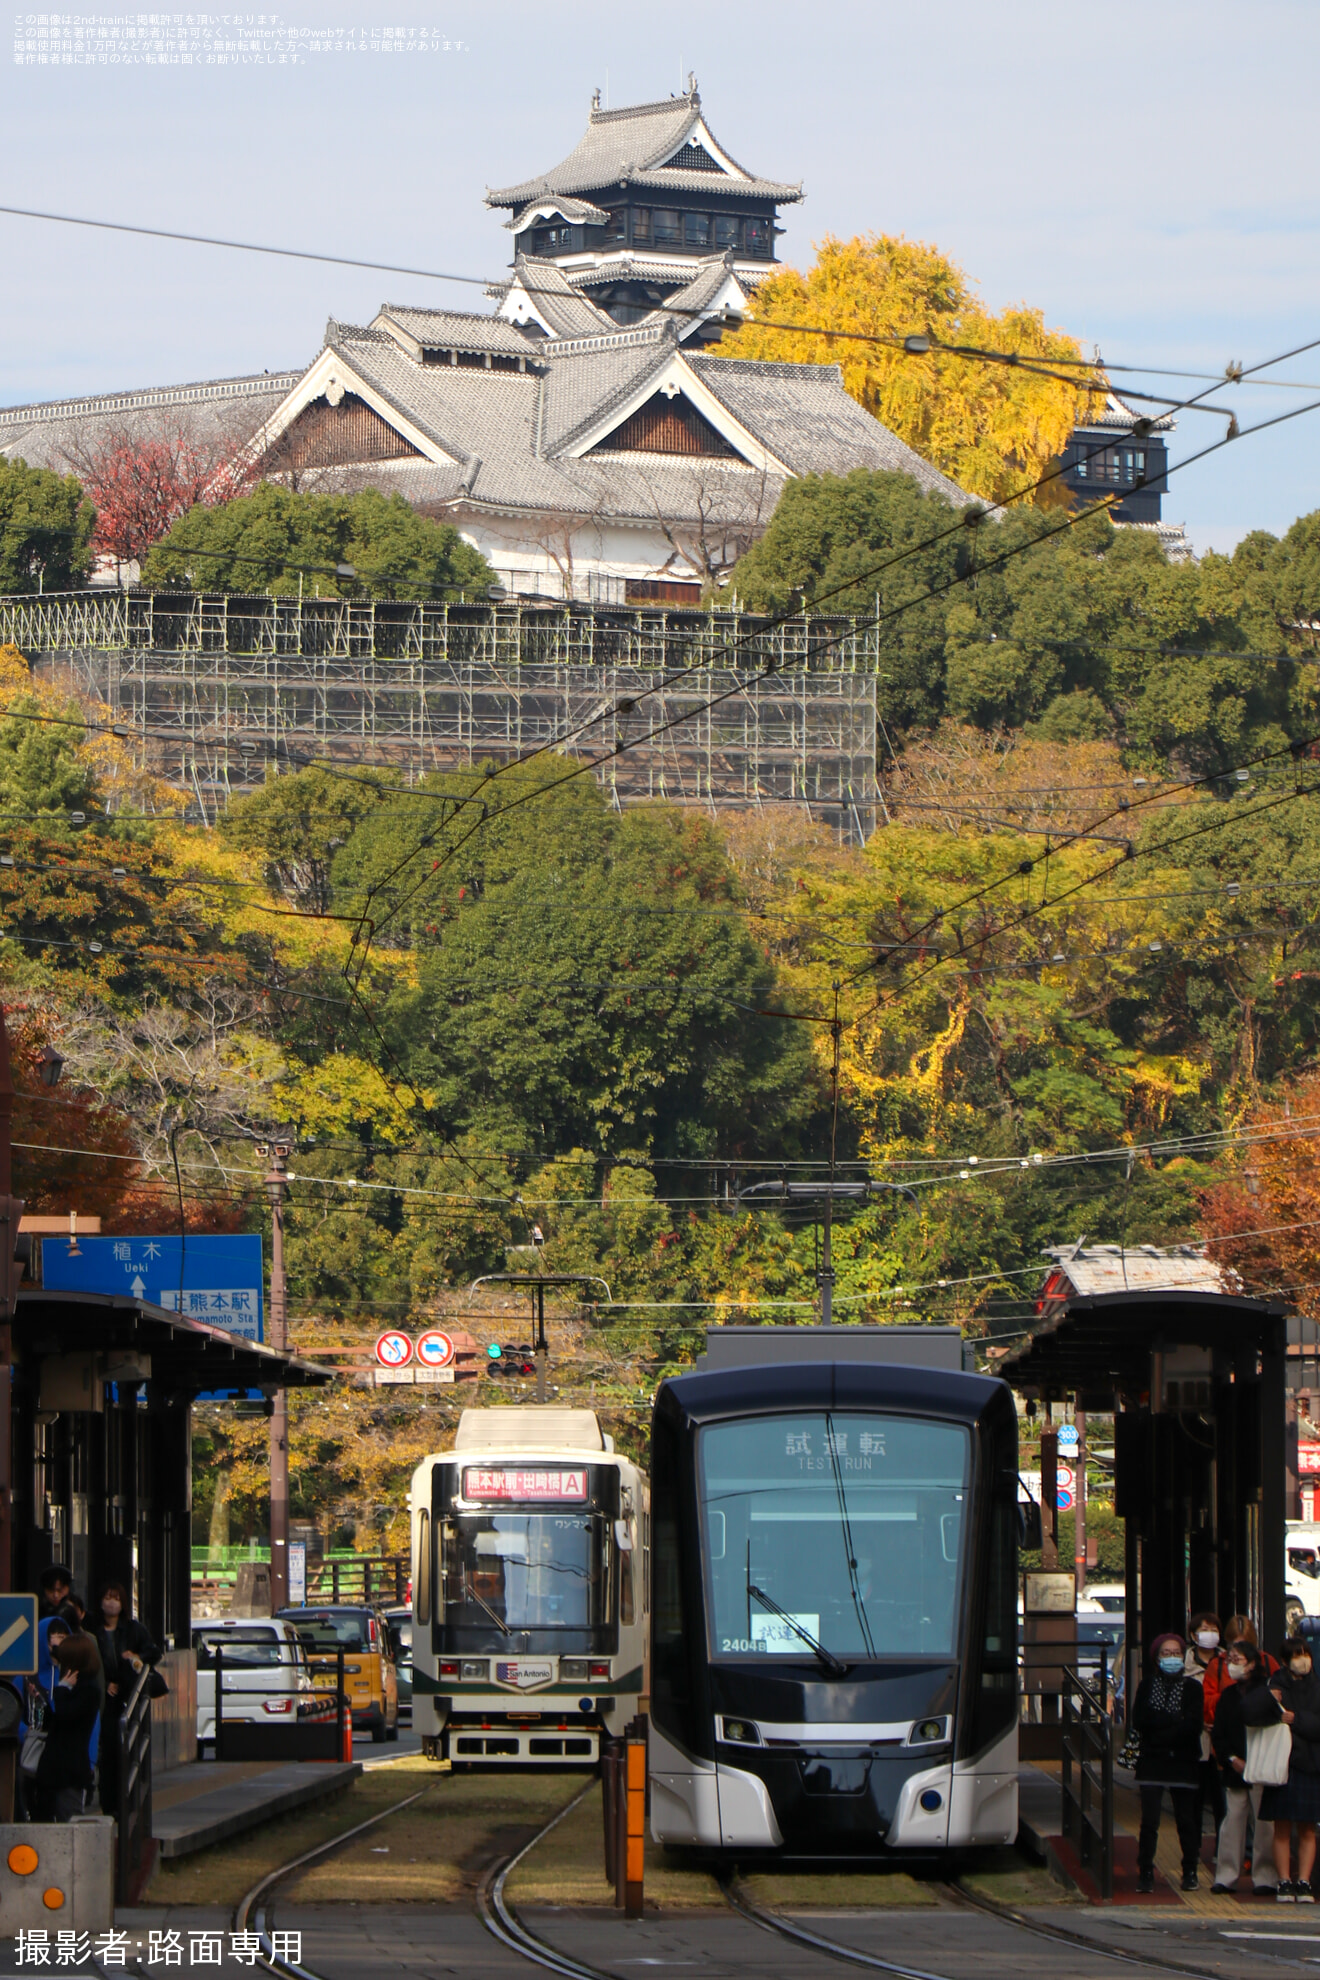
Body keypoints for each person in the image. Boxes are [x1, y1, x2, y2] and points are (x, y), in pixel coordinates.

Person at [1132, 1631, 1207, 1893]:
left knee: (1186, 1820)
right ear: (1156, 1657)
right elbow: (1140, 1721)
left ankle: (1190, 1871)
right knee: (1149, 1821)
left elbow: (1193, 1725)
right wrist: (1172, 1721)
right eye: (1166, 1653)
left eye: (1176, 1653)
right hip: (1152, 1760)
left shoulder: (1193, 1688)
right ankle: (1145, 1872)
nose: (1172, 1658)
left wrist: (1163, 1722)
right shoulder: (1147, 1685)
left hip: (1183, 1761)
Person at [1210, 1641, 1280, 1894]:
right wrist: (1230, 1758)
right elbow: (1218, 1733)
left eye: (1237, 1660)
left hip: (1262, 1767)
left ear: (1252, 1663)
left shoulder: (1269, 1691)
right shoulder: (1228, 1696)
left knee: (1264, 1825)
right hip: (1235, 1768)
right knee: (1233, 1822)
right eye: (1230, 1659)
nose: (1232, 1664)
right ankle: (1226, 1876)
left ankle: (1265, 1878)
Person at [1263, 1634, 1320, 1901]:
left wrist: (1296, 1720)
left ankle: (1304, 1880)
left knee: (1308, 1827)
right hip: (1282, 1763)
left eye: (1305, 1654)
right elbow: (1257, 1715)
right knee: (1282, 1826)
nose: (1304, 1660)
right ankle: (1284, 1880)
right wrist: (1268, 1698)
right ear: (1285, 1662)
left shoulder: (1317, 1686)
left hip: (1310, 1764)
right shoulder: (1275, 1685)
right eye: (1297, 1655)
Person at [94, 1584, 158, 1816]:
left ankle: (127, 1804)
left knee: (126, 1750)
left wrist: (136, 1657)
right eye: (107, 1597)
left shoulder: (133, 1630)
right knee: (108, 1755)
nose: (111, 1603)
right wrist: (103, 1683)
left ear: (123, 1604)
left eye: (116, 1599)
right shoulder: (94, 1631)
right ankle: (109, 1805)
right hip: (105, 1699)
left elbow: (154, 1652)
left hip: (128, 1697)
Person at [30, 1635, 100, 1822]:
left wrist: (61, 1690)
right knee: (44, 1820)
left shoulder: (88, 1690)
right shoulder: (73, 1687)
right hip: (53, 1770)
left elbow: (66, 1715)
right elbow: (51, 1721)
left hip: (70, 1772)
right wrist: (41, 1700)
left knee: (69, 1820)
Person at [1187, 1611, 1228, 1835]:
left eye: (1213, 1630)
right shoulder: (1184, 1665)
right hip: (1197, 1741)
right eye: (1204, 1630)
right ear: (1193, 1635)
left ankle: (1222, 1850)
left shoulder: (1230, 1661)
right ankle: (1194, 1849)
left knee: (1224, 1799)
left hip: (1223, 1742)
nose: (1209, 1635)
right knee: (1195, 1799)